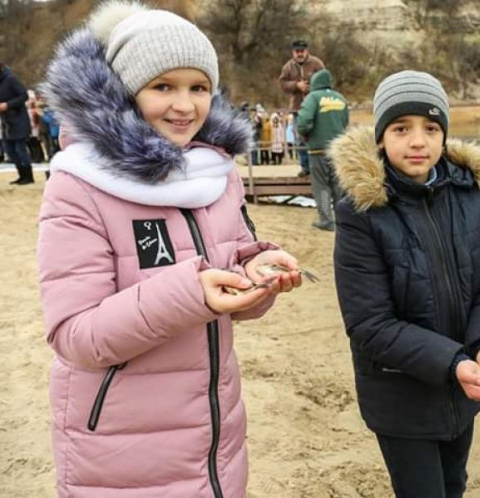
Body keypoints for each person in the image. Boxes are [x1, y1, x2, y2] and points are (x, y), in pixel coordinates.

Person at [37, 2, 303, 496]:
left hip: (215, 437)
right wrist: (191, 294)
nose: (185, 106)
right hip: (121, 448)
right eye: (163, 87)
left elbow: (233, 256)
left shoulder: (215, 174)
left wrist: (257, 271)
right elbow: (75, 334)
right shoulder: (79, 184)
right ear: (125, 92)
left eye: (198, 87)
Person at [329, 70, 480, 498]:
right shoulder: (361, 210)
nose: (418, 141)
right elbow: (370, 324)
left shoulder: (467, 193)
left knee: (454, 485)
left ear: (444, 134)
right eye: (401, 129)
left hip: (465, 390)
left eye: (431, 128)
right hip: (400, 396)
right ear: (381, 137)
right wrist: (454, 363)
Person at [296, 69, 348, 231]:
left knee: (321, 186)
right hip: (338, 151)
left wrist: (305, 134)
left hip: (318, 150)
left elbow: (303, 122)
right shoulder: (340, 98)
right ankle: (342, 220)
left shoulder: (313, 98)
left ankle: (326, 220)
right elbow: (345, 122)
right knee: (338, 186)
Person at [278, 39, 324, 177]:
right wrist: (296, 86)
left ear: (306, 51)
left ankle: (319, 167)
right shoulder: (288, 67)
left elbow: (326, 79)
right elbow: (282, 83)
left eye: (302, 51)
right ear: (293, 52)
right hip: (298, 108)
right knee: (299, 138)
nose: (299, 54)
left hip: (316, 106)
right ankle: (305, 167)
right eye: (297, 52)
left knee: (318, 136)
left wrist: (312, 86)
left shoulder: (317, 63)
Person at [0, 62, 33, 184]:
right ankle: (21, 175)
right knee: (9, 150)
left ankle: (28, 177)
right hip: (6, 122)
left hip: (19, 119)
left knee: (20, 149)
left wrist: (8, 105)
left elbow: (24, 96)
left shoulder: (11, 79)